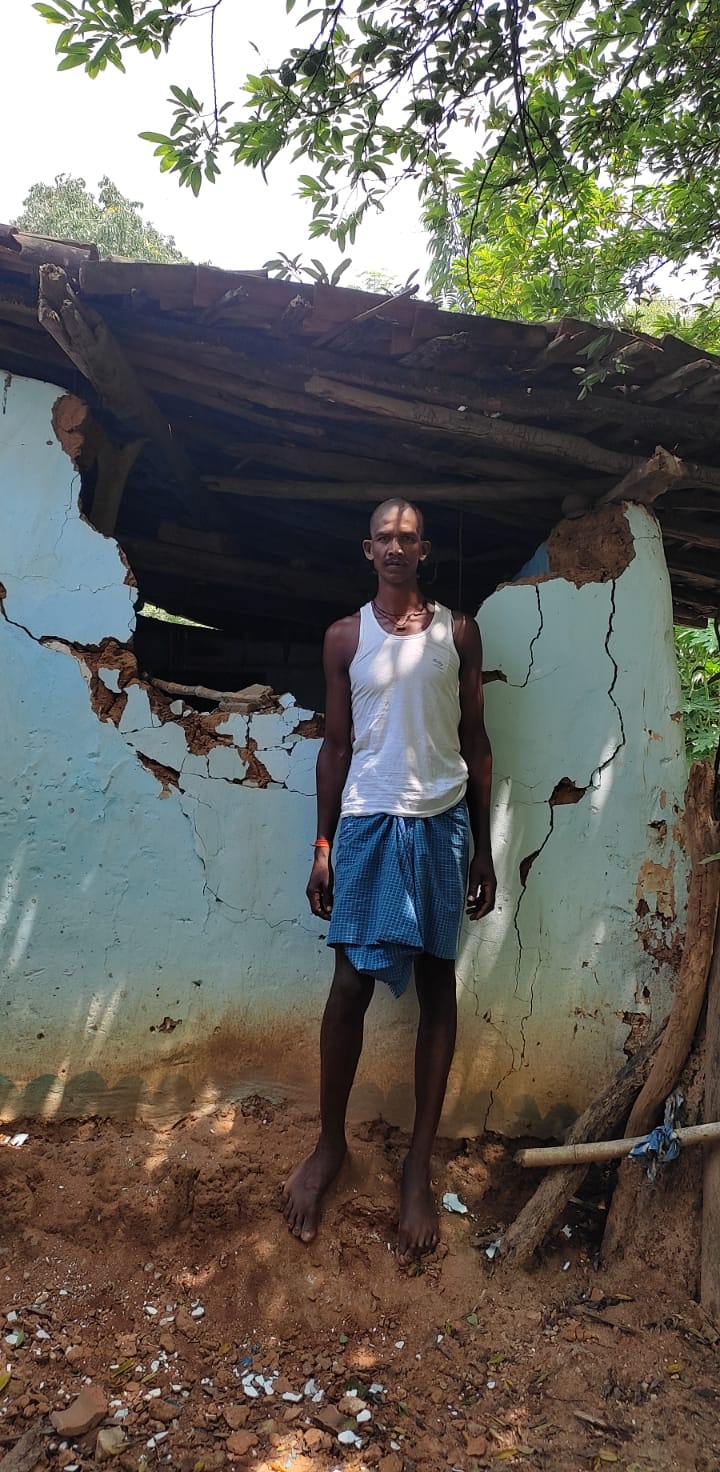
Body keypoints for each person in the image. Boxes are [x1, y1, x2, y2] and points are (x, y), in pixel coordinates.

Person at [282, 497, 496, 1259]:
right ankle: (329, 1146)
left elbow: (476, 740)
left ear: (424, 549)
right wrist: (322, 845)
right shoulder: (346, 636)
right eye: (385, 538)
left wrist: (484, 848)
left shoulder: (458, 633)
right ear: (367, 550)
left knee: (438, 983)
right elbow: (336, 747)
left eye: (408, 538)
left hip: (440, 824)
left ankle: (415, 1168)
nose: (397, 547)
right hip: (369, 823)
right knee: (350, 986)